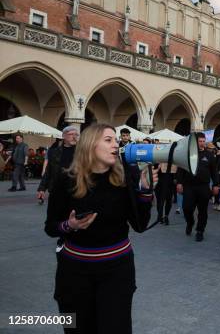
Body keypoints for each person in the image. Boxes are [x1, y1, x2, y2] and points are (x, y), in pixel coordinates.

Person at [44, 123, 158, 333]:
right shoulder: (66, 179)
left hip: (117, 271)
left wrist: (144, 191)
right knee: (77, 328)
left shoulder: (125, 177)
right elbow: (51, 227)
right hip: (73, 273)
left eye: (115, 140)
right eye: (108, 140)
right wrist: (70, 225)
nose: (116, 144)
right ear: (89, 145)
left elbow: (140, 225)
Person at [176, 133, 219, 242]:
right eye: (200, 141)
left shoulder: (209, 155)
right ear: (195, 142)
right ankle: (190, 222)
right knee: (186, 208)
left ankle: (200, 231)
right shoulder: (187, 154)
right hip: (189, 186)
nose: (202, 143)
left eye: (203, 141)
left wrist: (215, 185)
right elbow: (181, 169)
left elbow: (214, 172)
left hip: (203, 187)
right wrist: (179, 183)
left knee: (202, 211)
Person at [37, 126, 79, 205]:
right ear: (63, 136)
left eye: (76, 135)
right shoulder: (54, 152)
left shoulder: (81, 152)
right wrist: (42, 188)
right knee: (54, 215)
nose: (74, 137)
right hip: (56, 189)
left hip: (75, 190)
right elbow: (48, 171)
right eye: (71, 134)